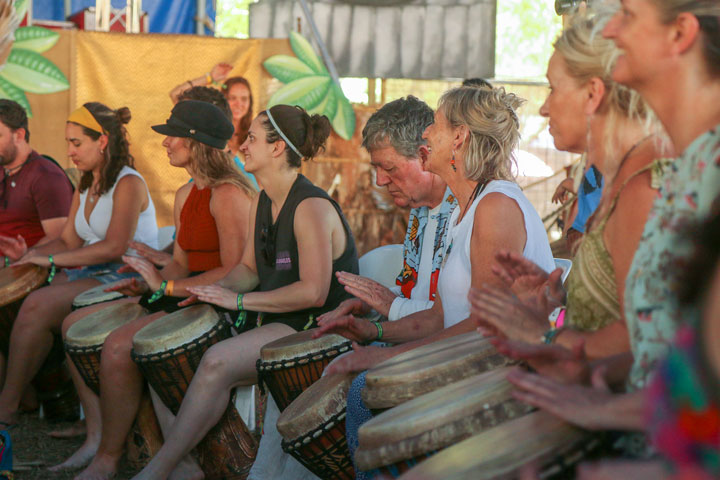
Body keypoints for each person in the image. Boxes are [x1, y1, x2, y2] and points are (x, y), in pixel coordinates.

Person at [497, 0, 720, 458]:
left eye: (629, 15)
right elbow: (665, 350)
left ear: (680, 34)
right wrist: (565, 341)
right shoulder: (690, 165)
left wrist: (548, 338)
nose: (611, 28)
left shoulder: (679, 177)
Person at [319, 86, 554, 478]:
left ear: (458, 137)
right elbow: (440, 317)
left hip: (502, 374)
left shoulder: (495, 206)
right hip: (473, 362)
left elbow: (486, 326)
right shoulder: (468, 210)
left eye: (437, 124)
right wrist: (373, 330)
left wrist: (384, 356)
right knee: (362, 382)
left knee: (363, 393)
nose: (426, 133)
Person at [130, 104, 358, 480]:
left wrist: (236, 301)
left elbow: (314, 293)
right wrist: (209, 290)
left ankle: (159, 469)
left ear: (277, 149)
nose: (242, 146)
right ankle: (188, 468)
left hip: (316, 328)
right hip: (276, 319)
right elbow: (249, 271)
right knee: (164, 352)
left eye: (251, 138)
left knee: (217, 360)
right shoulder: (262, 200)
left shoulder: (311, 207)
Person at [59, 100, 255, 479]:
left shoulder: (228, 194)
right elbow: (181, 260)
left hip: (220, 303)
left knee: (119, 345)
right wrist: (150, 279)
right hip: (186, 294)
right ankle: (140, 455)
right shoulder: (185, 194)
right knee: (96, 332)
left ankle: (109, 458)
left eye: (173, 137)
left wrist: (166, 285)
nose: (166, 144)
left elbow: (234, 271)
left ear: (195, 143)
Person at [470, 14, 666, 361]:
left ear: (593, 94)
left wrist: (542, 337)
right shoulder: (622, 179)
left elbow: (642, 342)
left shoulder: (642, 189)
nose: (544, 107)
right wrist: (558, 294)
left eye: (553, 88)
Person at [0, 102, 158, 431]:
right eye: (68, 143)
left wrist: (51, 259)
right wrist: (30, 254)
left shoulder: (129, 183)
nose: (69, 151)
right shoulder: (87, 181)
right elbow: (69, 240)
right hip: (93, 273)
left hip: (127, 277)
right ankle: (40, 401)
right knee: (34, 300)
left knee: (37, 304)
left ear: (101, 141)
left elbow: (114, 247)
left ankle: (7, 407)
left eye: (76, 143)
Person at [317, 95, 454, 327]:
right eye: (376, 168)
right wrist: (369, 305)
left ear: (424, 156)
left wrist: (388, 305)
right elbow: (417, 295)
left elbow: (453, 316)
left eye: (389, 168)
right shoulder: (420, 209)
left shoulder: (465, 211)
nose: (380, 180)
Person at [0, 99, 73, 263]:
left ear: (19, 135)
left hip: (31, 271)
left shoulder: (46, 176)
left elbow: (62, 241)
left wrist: (19, 258)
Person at [168, 62, 258, 188]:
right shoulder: (207, 126)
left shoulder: (255, 136)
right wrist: (210, 78)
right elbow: (177, 95)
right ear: (224, 100)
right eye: (233, 98)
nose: (239, 104)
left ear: (250, 102)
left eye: (244, 99)